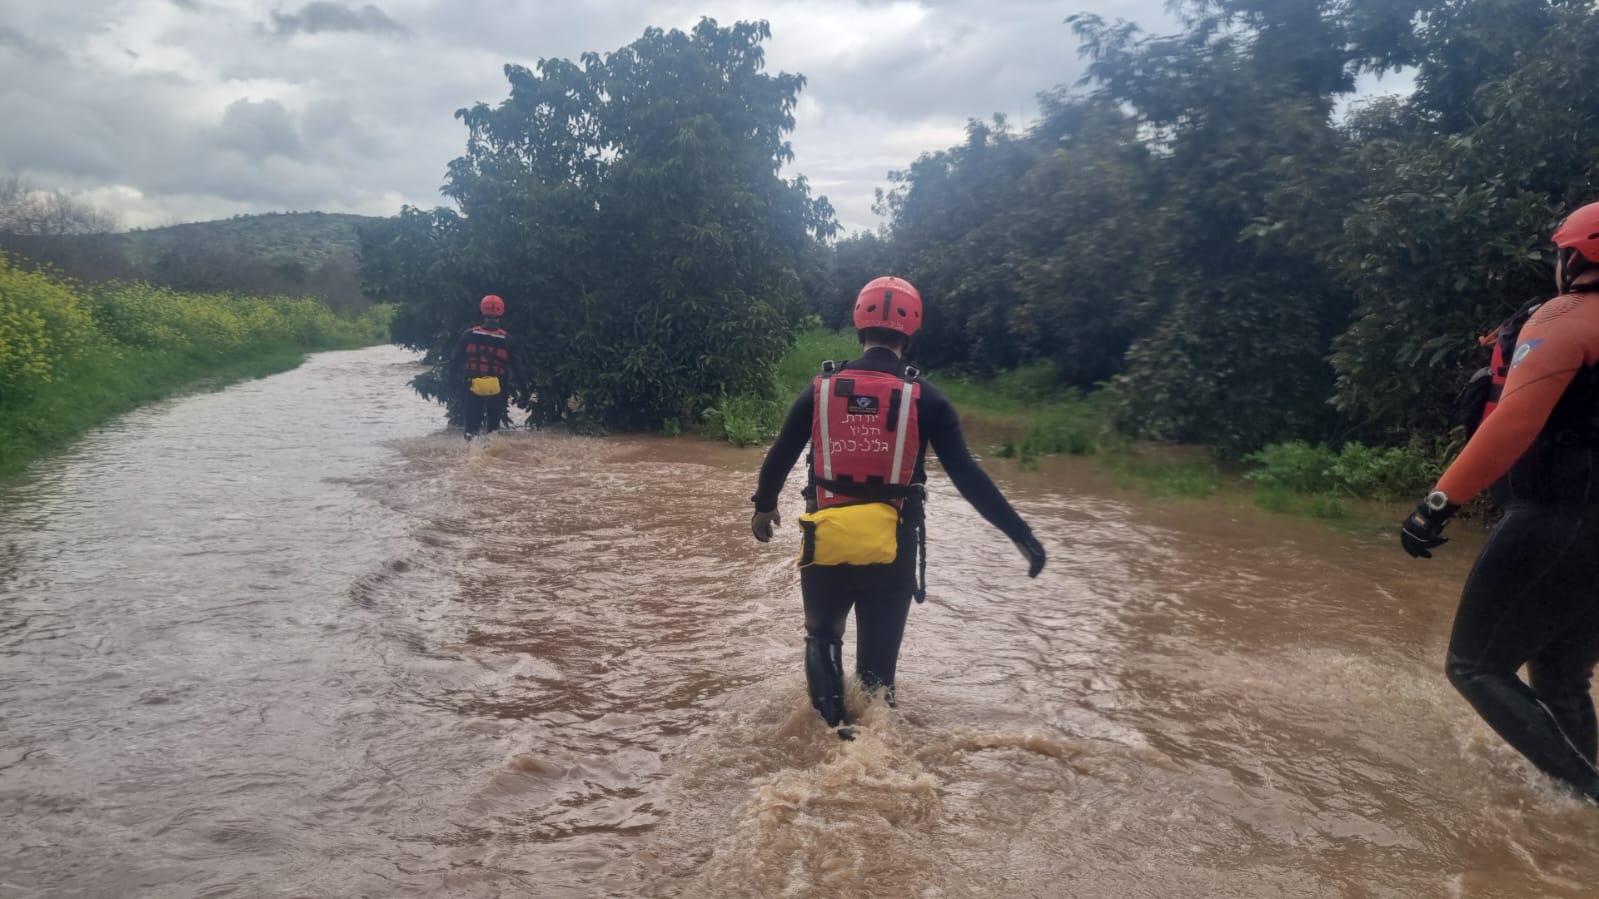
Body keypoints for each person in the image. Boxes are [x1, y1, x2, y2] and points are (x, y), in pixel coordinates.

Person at [749, 275, 1047, 735]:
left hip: (827, 538)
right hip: (893, 545)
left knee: (822, 637)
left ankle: (833, 735)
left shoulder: (821, 389)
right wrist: (1020, 534)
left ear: (858, 322)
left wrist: (764, 507)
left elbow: (780, 456)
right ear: (912, 331)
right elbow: (968, 475)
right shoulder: (927, 398)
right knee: (876, 675)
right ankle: (874, 743)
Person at [1401, 200, 1599, 802]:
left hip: (1558, 516)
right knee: (1561, 679)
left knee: (1474, 666)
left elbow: (1512, 423)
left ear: (1576, 255)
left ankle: (1588, 797)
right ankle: (1569, 827)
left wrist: (1439, 503)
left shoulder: (1565, 317)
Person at [447, 294, 526, 440]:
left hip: (473, 387)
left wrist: (451, 384)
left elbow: (454, 361)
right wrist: (525, 394)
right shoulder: (508, 339)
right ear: (501, 313)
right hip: (496, 389)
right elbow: (518, 369)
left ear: (483, 312)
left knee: (471, 431)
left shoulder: (469, 335)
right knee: (493, 432)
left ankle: (472, 457)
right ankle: (491, 458)